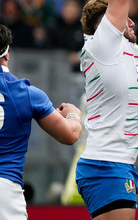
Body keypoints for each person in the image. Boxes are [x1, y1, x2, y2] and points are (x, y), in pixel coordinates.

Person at [76, 0, 138, 220]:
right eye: (120, 17)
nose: (129, 19)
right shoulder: (103, 45)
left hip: (118, 162)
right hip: (107, 164)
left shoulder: (114, 45)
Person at [0, 24, 83, 217]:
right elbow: (70, 135)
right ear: (7, 53)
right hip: (5, 191)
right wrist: (73, 114)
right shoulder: (27, 93)